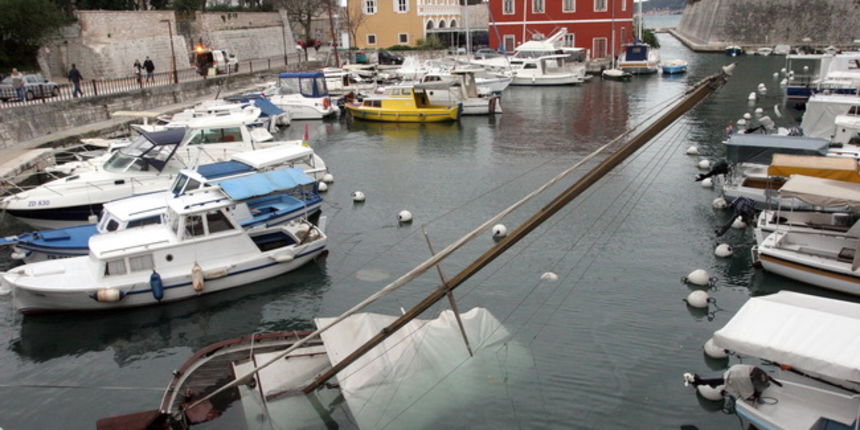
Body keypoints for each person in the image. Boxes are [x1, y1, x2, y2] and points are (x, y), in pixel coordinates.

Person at [684, 364, 781, 402]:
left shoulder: (759, 375)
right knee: (725, 382)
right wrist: (754, 396)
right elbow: (749, 396)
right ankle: (699, 381)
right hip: (739, 376)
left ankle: (699, 381)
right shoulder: (743, 381)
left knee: (723, 380)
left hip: (737, 371)